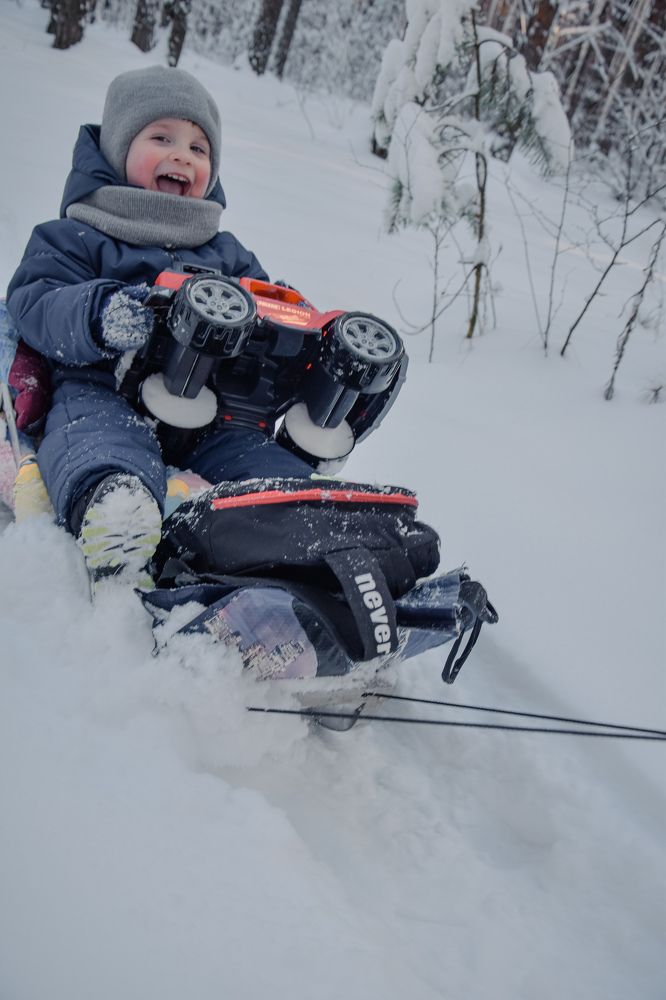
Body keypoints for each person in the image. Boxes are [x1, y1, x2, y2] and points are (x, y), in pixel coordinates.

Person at [6, 65, 314, 588]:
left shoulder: (226, 252)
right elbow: (34, 302)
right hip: (101, 387)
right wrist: (102, 312)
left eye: (199, 148)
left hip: (209, 413)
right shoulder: (76, 234)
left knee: (255, 456)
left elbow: (262, 303)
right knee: (95, 436)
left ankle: (301, 515)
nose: (183, 156)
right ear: (117, 149)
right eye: (162, 137)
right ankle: (116, 510)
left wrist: (287, 320)